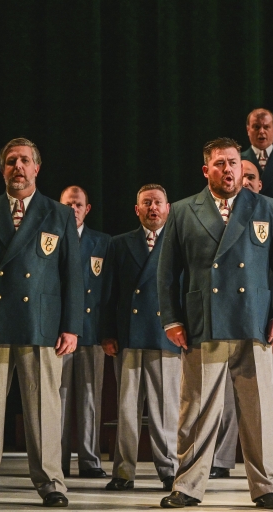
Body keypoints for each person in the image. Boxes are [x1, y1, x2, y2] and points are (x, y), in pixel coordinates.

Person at [157, 137, 273, 510]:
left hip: (255, 323)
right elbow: (167, 274)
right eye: (219, 164)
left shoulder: (267, 207)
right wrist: (171, 320)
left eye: (233, 162)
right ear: (207, 170)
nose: (228, 169)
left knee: (260, 411)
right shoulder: (185, 211)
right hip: (205, 323)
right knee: (198, 410)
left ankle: (267, 486)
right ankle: (187, 485)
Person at [0, 138, 83, 508]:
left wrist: (71, 326)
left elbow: (72, 274)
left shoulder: (57, 213)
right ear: (2, 169)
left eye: (25, 161)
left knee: (44, 409)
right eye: (11, 161)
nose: (18, 167)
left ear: (37, 168)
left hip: (40, 323)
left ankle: (51, 483)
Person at [101, 184, 181, 492]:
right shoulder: (119, 244)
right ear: (137, 210)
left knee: (166, 409)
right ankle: (123, 472)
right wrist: (107, 333)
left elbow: (183, 291)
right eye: (146, 203)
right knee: (126, 409)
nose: (152, 207)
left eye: (157, 202)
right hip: (129, 338)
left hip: (166, 337)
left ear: (167, 207)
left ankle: (170, 470)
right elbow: (109, 294)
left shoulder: (178, 242)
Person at [57, 186, 110, 479]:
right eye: (68, 204)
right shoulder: (51, 240)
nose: (73, 209)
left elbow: (107, 292)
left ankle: (90, 460)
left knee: (90, 397)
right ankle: (58, 461)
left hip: (90, 333)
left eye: (78, 205)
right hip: (60, 333)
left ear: (87, 209)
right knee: (59, 399)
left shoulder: (101, 243)